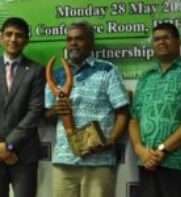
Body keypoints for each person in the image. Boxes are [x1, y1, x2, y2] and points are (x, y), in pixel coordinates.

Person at [45, 21, 129, 197]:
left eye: (79, 38)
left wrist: (111, 140)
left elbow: (122, 112)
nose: (73, 43)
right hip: (65, 160)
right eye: (69, 39)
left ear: (91, 42)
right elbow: (47, 115)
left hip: (99, 160)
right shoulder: (56, 74)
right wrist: (55, 109)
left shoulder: (107, 69)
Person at [129, 23, 181, 197]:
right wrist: (140, 149)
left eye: (166, 37)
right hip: (147, 163)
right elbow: (134, 119)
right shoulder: (146, 76)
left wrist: (163, 149)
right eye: (157, 39)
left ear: (178, 41)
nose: (161, 42)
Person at [0, 17, 45, 197]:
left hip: (24, 154)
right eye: (9, 34)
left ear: (26, 40)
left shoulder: (36, 70)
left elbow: (35, 112)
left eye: (19, 35)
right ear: (1, 37)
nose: (13, 39)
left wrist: (8, 146)